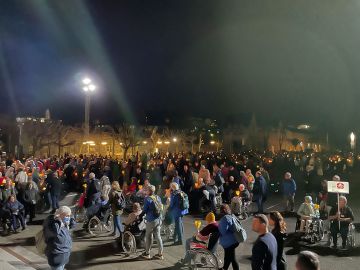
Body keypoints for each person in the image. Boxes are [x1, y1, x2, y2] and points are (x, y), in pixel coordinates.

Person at [44, 206, 75, 270]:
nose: (68, 218)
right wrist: (58, 220)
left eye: (69, 216)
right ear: (61, 214)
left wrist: (71, 219)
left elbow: (73, 225)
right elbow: (55, 231)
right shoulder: (52, 222)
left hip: (64, 255)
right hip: (57, 256)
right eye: (67, 216)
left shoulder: (63, 222)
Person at [141, 185, 164, 260]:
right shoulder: (158, 197)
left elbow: (144, 210)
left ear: (149, 191)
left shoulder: (147, 199)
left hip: (151, 220)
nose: (146, 191)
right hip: (159, 219)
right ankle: (160, 254)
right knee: (158, 236)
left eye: (147, 190)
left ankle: (147, 253)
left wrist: (140, 215)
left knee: (148, 236)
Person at [218, 204, 240, 270]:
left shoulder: (225, 218)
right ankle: (225, 268)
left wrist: (218, 228)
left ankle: (226, 268)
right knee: (228, 256)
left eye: (221, 210)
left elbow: (222, 231)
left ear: (224, 210)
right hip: (235, 240)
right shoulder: (232, 216)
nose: (220, 212)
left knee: (232, 258)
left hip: (230, 242)